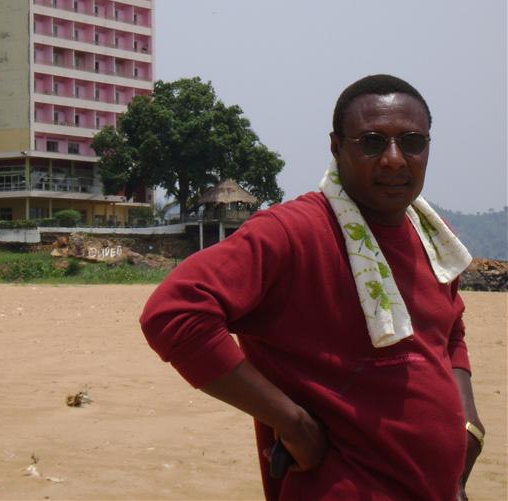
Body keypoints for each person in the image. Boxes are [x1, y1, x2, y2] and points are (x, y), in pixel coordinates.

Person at [140, 74, 485, 500]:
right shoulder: (294, 232)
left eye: (412, 142)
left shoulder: (430, 235)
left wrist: (466, 421)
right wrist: (291, 422)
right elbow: (174, 313)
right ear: (337, 148)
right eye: (372, 142)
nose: (395, 159)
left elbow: (450, 329)